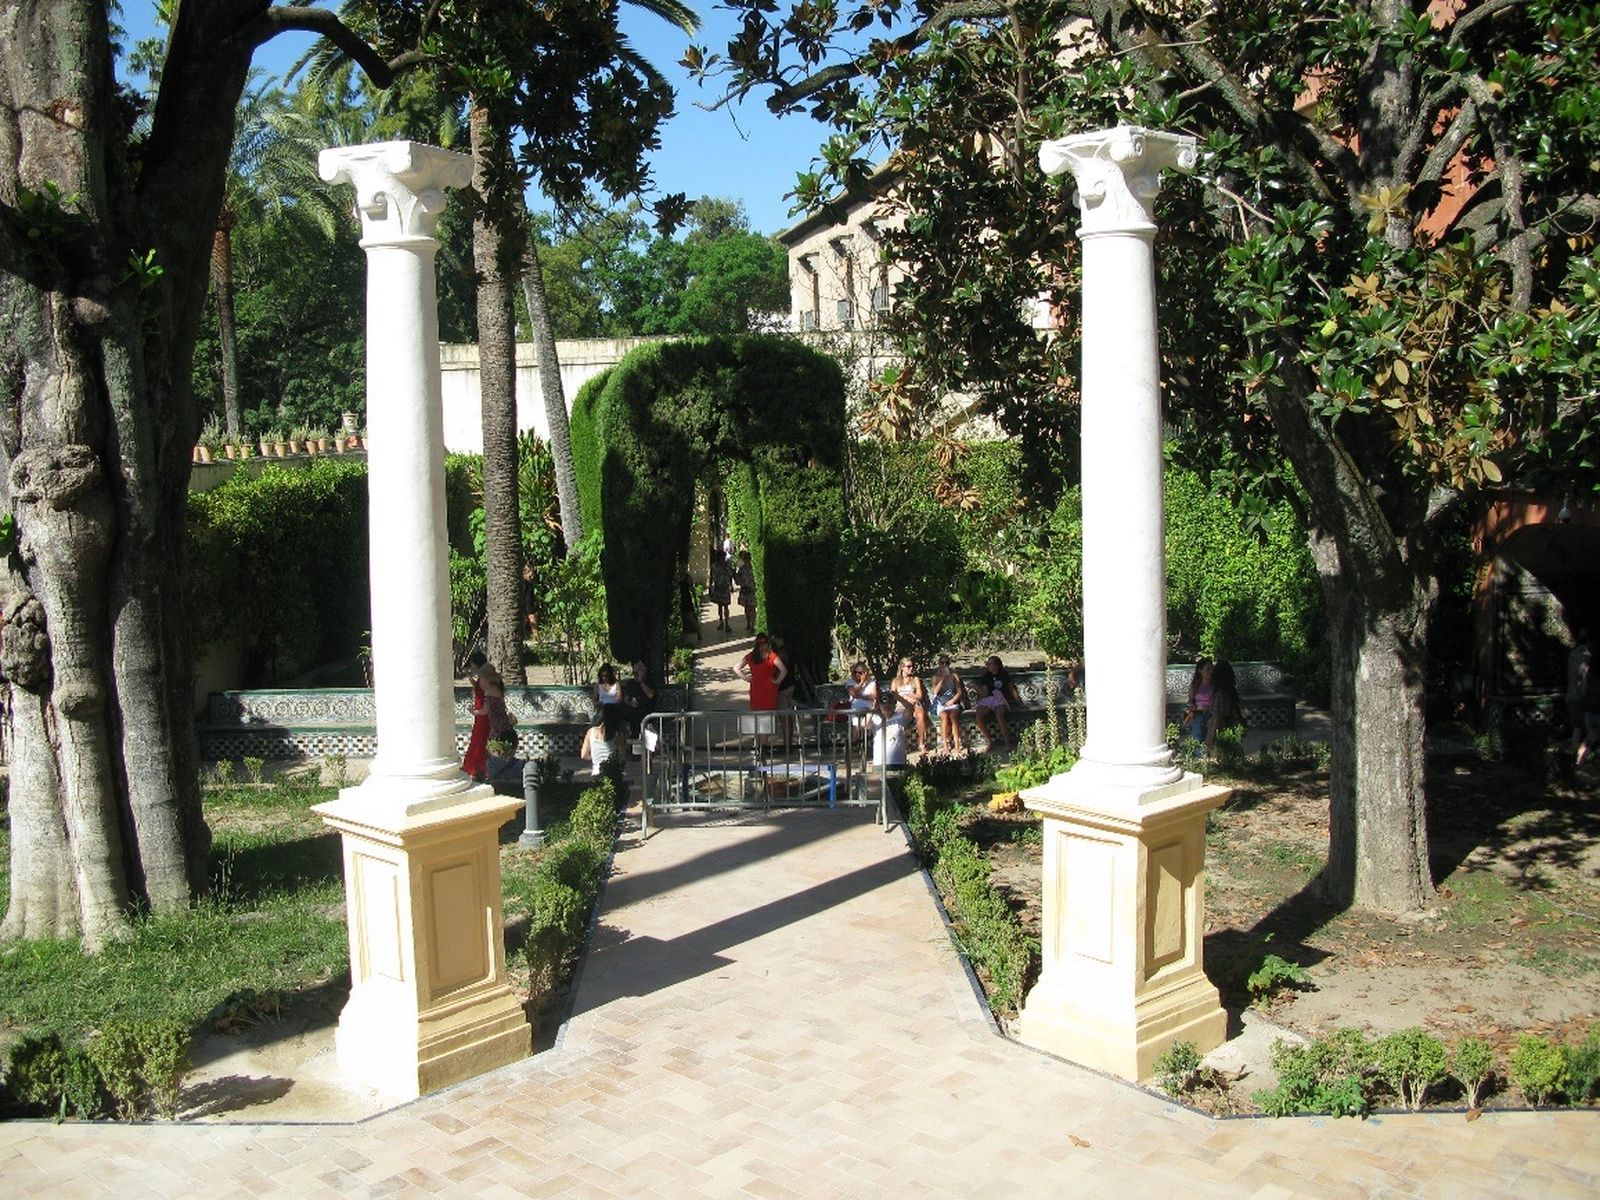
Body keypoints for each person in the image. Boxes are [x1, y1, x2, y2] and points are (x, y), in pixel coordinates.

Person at [972, 655, 1022, 752]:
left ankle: (1007, 742)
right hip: (989, 699)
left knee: (999, 714)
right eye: (987, 664)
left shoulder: (1004, 675)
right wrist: (976, 688)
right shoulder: (985, 676)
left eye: (990, 664)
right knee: (979, 715)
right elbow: (985, 694)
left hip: (1001, 699)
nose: (988, 666)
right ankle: (989, 741)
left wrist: (1018, 701)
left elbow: (1011, 689)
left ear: (997, 665)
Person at [737, 632, 787, 711]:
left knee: (756, 711)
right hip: (769, 686)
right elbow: (784, 670)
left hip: (756, 686)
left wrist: (746, 678)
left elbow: (736, 668)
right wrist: (777, 681)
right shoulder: (771, 656)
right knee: (769, 711)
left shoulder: (751, 656)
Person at [864, 690, 916, 767]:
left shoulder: (900, 717)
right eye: (883, 704)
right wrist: (873, 708)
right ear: (879, 705)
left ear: (894, 705)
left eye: (890, 703)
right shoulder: (875, 719)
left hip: (898, 763)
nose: (887, 706)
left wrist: (898, 697)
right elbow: (865, 724)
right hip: (879, 764)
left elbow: (910, 708)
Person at [1205, 659, 1245, 759]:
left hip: (1222, 738)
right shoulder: (1231, 692)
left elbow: (1215, 721)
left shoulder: (1220, 695)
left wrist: (1208, 747)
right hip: (1233, 732)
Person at [461, 651, 492, 781]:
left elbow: (486, 697)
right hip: (480, 716)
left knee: (479, 741)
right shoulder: (482, 677)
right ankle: (477, 768)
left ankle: (477, 768)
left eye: (473, 665)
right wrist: (472, 682)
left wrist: (475, 712)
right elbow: (479, 689)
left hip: (483, 716)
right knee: (478, 740)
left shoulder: (485, 678)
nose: (472, 668)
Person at [892, 655, 931, 753]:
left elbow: (920, 696)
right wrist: (906, 698)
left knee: (921, 715)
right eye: (908, 666)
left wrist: (907, 696)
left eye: (912, 666)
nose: (911, 668)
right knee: (902, 716)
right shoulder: (896, 681)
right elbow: (893, 695)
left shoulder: (915, 679)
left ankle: (921, 744)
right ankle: (902, 744)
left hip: (915, 704)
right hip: (902, 705)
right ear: (902, 667)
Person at [930, 655, 967, 753]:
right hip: (941, 704)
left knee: (953, 716)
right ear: (939, 664)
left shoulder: (954, 676)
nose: (944, 665)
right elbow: (935, 692)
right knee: (944, 717)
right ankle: (945, 745)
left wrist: (952, 701)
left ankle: (957, 744)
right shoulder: (935, 677)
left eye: (946, 663)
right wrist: (943, 679)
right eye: (942, 663)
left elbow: (959, 692)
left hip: (953, 702)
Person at [622, 659, 657, 742]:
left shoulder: (650, 681)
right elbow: (626, 699)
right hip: (633, 708)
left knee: (638, 714)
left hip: (646, 708)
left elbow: (650, 695)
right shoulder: (631, 683)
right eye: (636, 672)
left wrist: (641, 682)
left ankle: (637, 739)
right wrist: (631, 703)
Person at [1568, 629, 1591, 754]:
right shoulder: (1585, 655)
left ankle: (1575, 757)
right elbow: (1582, 678)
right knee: (1583, 730)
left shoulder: (1574, 653)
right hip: (1579, 698)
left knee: (1578, 730)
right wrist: (1585, 696)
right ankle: (1579, 759)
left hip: (1572, 696)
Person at [1184, 656, 1215, 745]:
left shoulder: (1215, 686)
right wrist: (1193, 709)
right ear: (1200, 671)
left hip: (1212, 714)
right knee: (1198, 724)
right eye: (1208, 669)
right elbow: (1190, 702)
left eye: (1212, 669)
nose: (1211, 672)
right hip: (1198, 714)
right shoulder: (1196, 686)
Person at [708, 549, 734, 632]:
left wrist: (731, 585)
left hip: (725, 587)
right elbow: (711, 577)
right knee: (720, 606)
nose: (722, 558)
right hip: (718, 587)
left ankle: (726, 623)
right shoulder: (714, 566)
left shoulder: (727, 565)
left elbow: (730, 576)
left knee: (726, 606)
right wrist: (710, 586)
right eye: (721, 557)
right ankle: (721, 622)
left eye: (723, 557)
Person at [734, 549, 756, 632]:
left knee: (751, 607)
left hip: (750, 589)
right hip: (746, 589)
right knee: (748, 607)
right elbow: (737, 579)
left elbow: (737, 580)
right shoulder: (742, 568)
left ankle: (751, 624)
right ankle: (749, 624)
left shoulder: (752, 568)